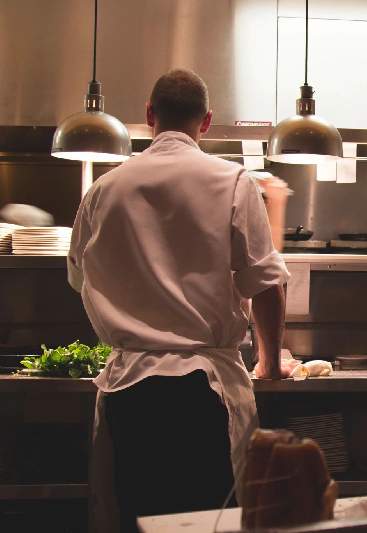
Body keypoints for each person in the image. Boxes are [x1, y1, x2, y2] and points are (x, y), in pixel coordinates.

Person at [67, 69, 290, 532]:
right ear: (206, 122)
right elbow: (266, 282)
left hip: (129, 391)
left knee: (137, 521)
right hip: (201, 393)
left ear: (150, 116)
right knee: (209, 525)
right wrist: (268, 363)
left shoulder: (103, 189)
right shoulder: (231, 180)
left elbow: (78, 277)